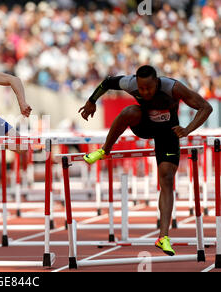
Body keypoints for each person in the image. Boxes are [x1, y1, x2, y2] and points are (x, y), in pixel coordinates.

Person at [78, 65, 213, 256]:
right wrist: (91, 100)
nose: (145, 92)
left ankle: (163, 237)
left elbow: (206, 107)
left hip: (169, 132)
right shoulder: (130, 83)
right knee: (129, 111)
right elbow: (107, 81)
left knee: (166, 178)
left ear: (157, 83)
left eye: (149, 88)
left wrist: (188, 129)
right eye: (141, 89)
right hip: (145, 126)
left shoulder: (172, 88)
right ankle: (104, 150)